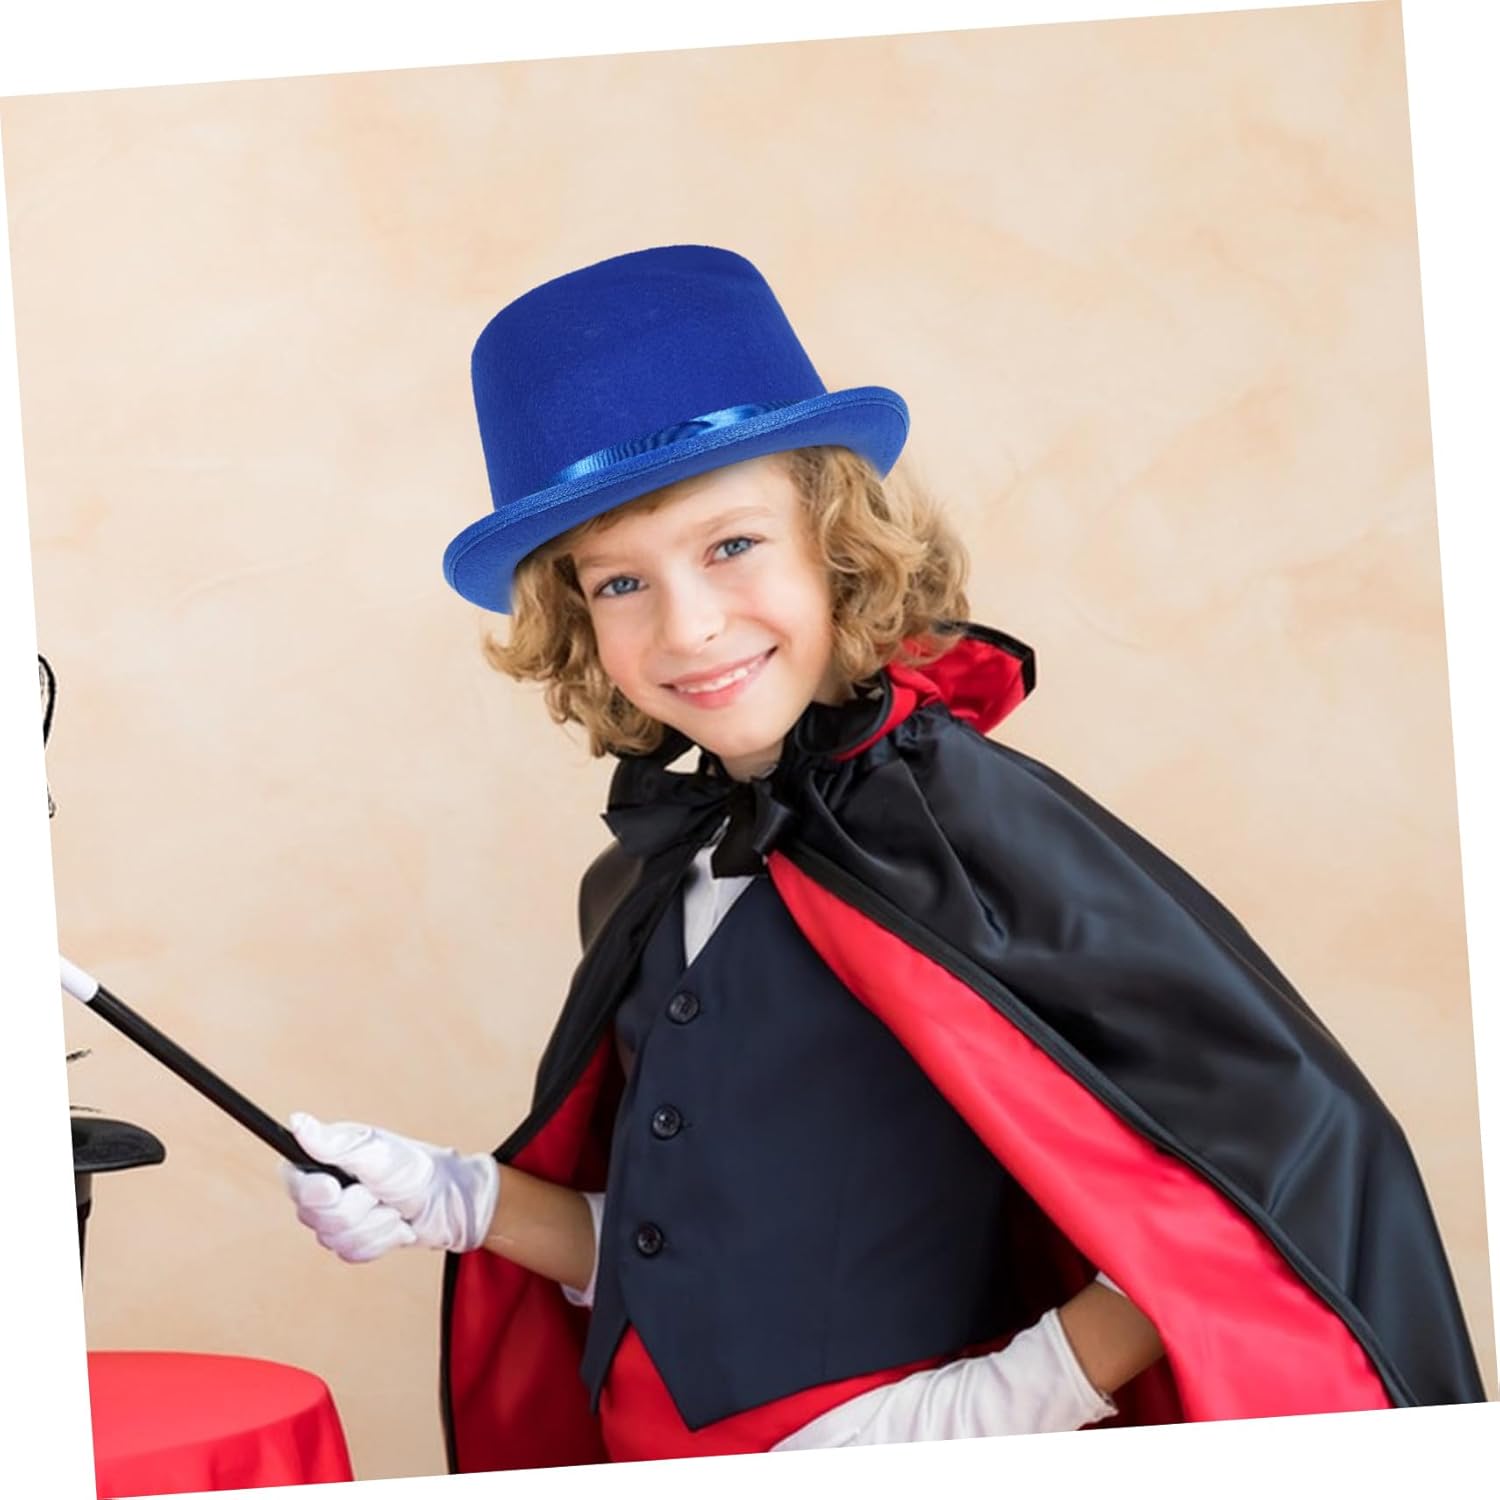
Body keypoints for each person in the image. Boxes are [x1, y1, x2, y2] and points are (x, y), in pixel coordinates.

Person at [281, 245, 1485, 1470]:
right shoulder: (645, 881)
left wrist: (1013, 1396)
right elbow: (687, 1260)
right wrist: (461, 1201)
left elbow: (1297, 1160)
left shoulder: (965, 827)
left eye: (732, 546)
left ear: (835, 542)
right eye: (621, 581)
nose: (688, 626)